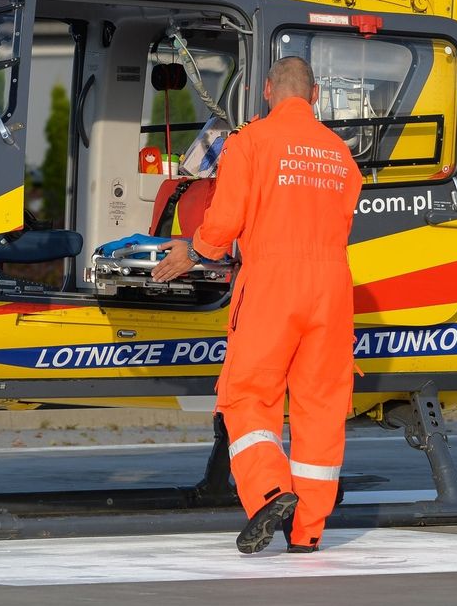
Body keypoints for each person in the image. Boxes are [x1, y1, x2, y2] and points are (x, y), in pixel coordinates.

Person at [151, 56, 362, 554]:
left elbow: (224, 222)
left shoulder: (250, 142)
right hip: (333, 288)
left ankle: (271, 490)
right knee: (321, 408)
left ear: (267, 91)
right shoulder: (340, 156)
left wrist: (195, 250)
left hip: (272, 281)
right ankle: (308, 533)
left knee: (247, 395)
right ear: (314, 97)